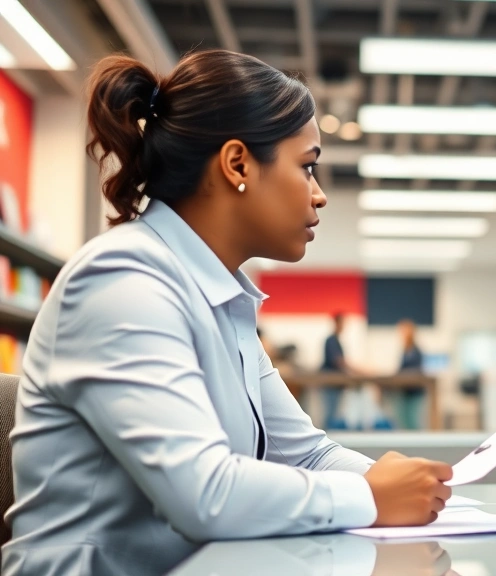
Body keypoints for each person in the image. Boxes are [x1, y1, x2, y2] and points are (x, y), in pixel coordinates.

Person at [2, 50, 453, 575]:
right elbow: (206, 495)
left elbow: (307, 455)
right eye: (307, 167)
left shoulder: (221, 299)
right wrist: (371, 497)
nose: (319, 195)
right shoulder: (121, 280)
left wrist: (428, 494)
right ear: (237, 164)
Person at [395, 319, 425, 429]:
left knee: (413, 420)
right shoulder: (405, 350)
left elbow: (416, 370)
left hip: (414, 391)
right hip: (405, 390)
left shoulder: (416, 351)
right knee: (404, 419)